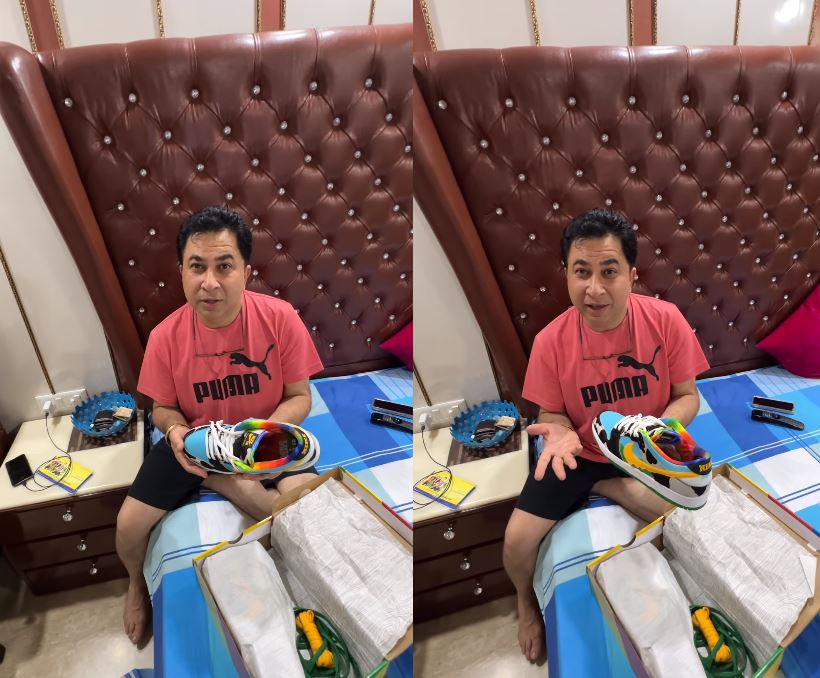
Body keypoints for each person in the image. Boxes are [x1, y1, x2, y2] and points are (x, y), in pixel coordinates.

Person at [503, 209, 709, 663]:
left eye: (609, 272)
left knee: (693, 518)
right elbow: (551, 412)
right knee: (516, 540)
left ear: (632, 276)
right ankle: (525, 602)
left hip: (646, 447)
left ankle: (603, 486)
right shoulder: (550, 341)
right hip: (581, 451)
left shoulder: (666, 320)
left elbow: (687, 396)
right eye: (582, 272)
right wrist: (560, 433)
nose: (594, 289)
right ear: (567, 275)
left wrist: (656, 432)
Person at [115, 206, 324, 646]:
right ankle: (135, 584)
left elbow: (300, 396)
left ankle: (222, 479)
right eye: (197, 267)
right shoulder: (164, 337)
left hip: (263, 438)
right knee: (128, 526)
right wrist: (176, 433)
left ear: (245, 272)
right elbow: (163, 409)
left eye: (224, 266)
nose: (209, 282)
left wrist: (256, 437)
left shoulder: (280, 318)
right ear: (182, 273)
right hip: (194, 442)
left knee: (306, 514)